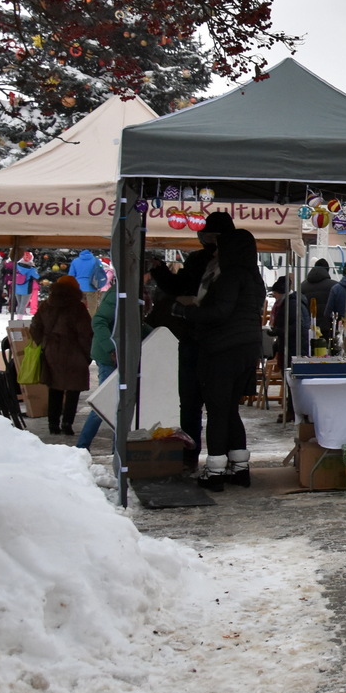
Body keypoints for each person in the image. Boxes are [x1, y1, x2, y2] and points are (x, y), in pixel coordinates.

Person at [173, 228, 265, 490]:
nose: (215, 252)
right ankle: (239, 468)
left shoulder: (230, 275)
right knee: (230, 409)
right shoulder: (254, 277)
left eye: (220, 247)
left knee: (216, 410)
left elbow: (219, 312)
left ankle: (214, 472)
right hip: (248, 347)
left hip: (223, 349)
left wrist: (183, 311)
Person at [149, 210, 234, 465]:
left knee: (191, 403)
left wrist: (161, 273)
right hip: (219, 341)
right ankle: (223, 457)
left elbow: (177, 288)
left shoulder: (207, 261)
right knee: (219, 406)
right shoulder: (237, 263)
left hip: (198, 337)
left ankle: (191, 458)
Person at [76, 280, 152, 449]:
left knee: (117, 403)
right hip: (110, 357)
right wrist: (111, 349)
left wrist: (155, 334)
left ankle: (115, 448)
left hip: (120, 355)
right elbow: (99, 321)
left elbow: (134, 322)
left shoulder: (133, 292)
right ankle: (82, 447)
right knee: (106, 403)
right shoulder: (119, 294)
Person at [30, 276, 93, 436]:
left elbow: (35, 327)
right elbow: (85, 333)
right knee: (73, 388)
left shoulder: (46, 305)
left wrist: (44, 343)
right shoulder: (78, 308)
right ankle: (67, 423)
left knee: (55, 387)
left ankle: (53, 424)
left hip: (52, 350)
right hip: (74, 352)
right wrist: (87, 354)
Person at [300, 257, 336, 338]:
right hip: (327, 327)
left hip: (308, 327)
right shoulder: (333, 286)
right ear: (327, 270)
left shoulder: (302, 286)